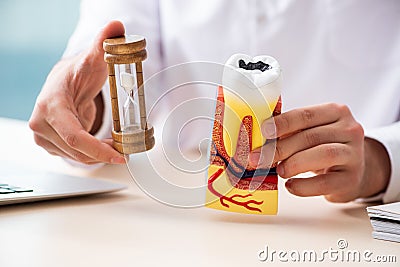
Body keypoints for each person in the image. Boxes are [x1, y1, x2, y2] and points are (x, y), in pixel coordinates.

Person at [29, 0, 400, 203]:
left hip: (346, 218)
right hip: (183, 208)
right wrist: (86, 110)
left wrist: (381, 160)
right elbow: (115, 58)